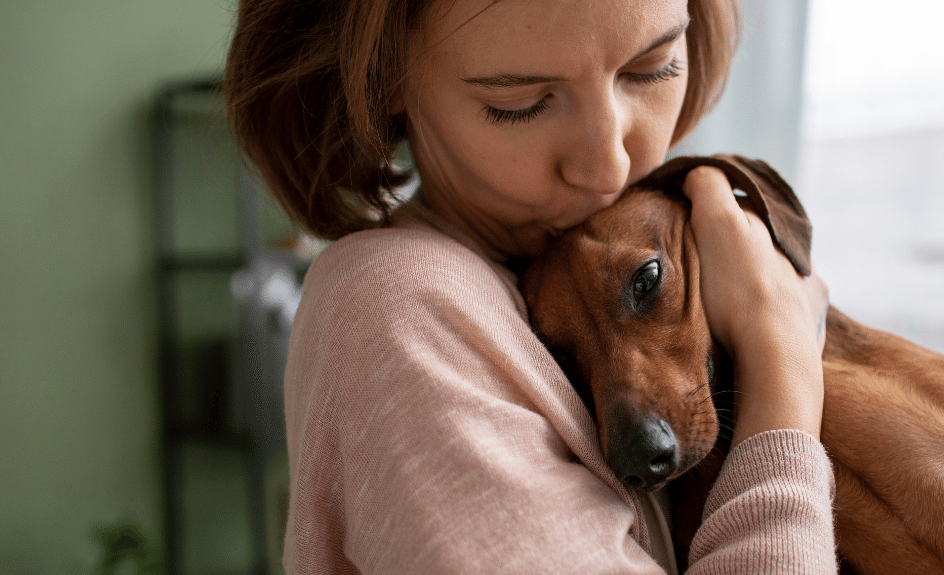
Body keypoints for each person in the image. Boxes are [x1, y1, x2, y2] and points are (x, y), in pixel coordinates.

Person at [225, 0, 835, 572]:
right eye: (520, 102)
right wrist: (780, 356)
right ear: (380, 80)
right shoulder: (394, 307)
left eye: (653, 67)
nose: (609, 167)